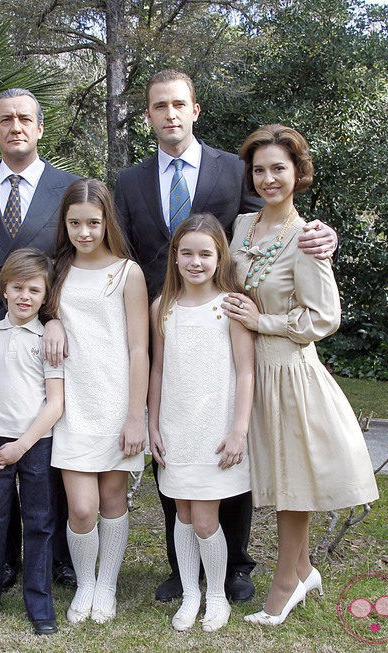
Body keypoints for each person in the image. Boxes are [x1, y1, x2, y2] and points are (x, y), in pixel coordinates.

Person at [113, 69, 339, 603]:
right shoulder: (129, 182)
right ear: (148, 116)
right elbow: (124, 252)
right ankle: (180, 567)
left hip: (226, 326)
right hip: (164, 323)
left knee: (227, 445)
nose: (169, 114)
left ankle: (236, 564)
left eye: (178, 104)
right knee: (176, 444)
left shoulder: (233, 168)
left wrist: (323, 235)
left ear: (195, 109)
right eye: (158, 106)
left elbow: (276, 221)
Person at [222, 125, 379, 626]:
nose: (269, 178)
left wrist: (261, 321)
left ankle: (287, 580)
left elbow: (322, 318)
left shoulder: (307, 237)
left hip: (288, 373)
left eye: (279, 169)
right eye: (260, 170)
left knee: (292, 484)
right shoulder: (243, 226)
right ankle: (305, 567)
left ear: (298, 173)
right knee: (272, 480)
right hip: (248, 370)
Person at [0, 88, 79, 589]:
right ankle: (0, 558)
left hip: (46, 334)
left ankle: (53, 558)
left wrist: (55, 316)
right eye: (5, 119)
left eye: (25, 119)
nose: (16, 127)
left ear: (40, 127)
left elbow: (74, 255)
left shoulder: (68, 186)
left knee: (45, 451)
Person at [47, 179, 149, 624]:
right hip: (72, 403)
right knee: (81, 507)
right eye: (75, 223)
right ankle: (84, 582)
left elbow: (139, 349)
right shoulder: (59, 268)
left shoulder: (128, 273)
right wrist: (50, 321)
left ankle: (105, 586)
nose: (84, 232)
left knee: (112, 499)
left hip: (116, 401)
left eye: (92, 223)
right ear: (64, 224)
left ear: (107, 221)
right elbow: (39, 311)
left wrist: (135, 416)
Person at [148, 214, 254, 632]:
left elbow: (246, 372)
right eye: (187, 253)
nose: (195, 261)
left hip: (215, 428)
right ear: (175, 257)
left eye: (205, 253)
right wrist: (152, 424)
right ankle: (190, 592)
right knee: (183, 516)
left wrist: (238, 430)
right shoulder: (163, 307)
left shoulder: (230, 306)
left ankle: (215, 594)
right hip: (176, 429)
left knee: (207, 519)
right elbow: (157, 370)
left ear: (220, 256)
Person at [0, 249, 65, 636]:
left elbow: (55, 402)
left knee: (39, 523)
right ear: (4, 289)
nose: (25, 296)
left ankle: (39, 604)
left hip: (35, 444)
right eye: (18, 287)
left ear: (45, 295)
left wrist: (23, 445)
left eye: (34, 290)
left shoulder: (48, 341)